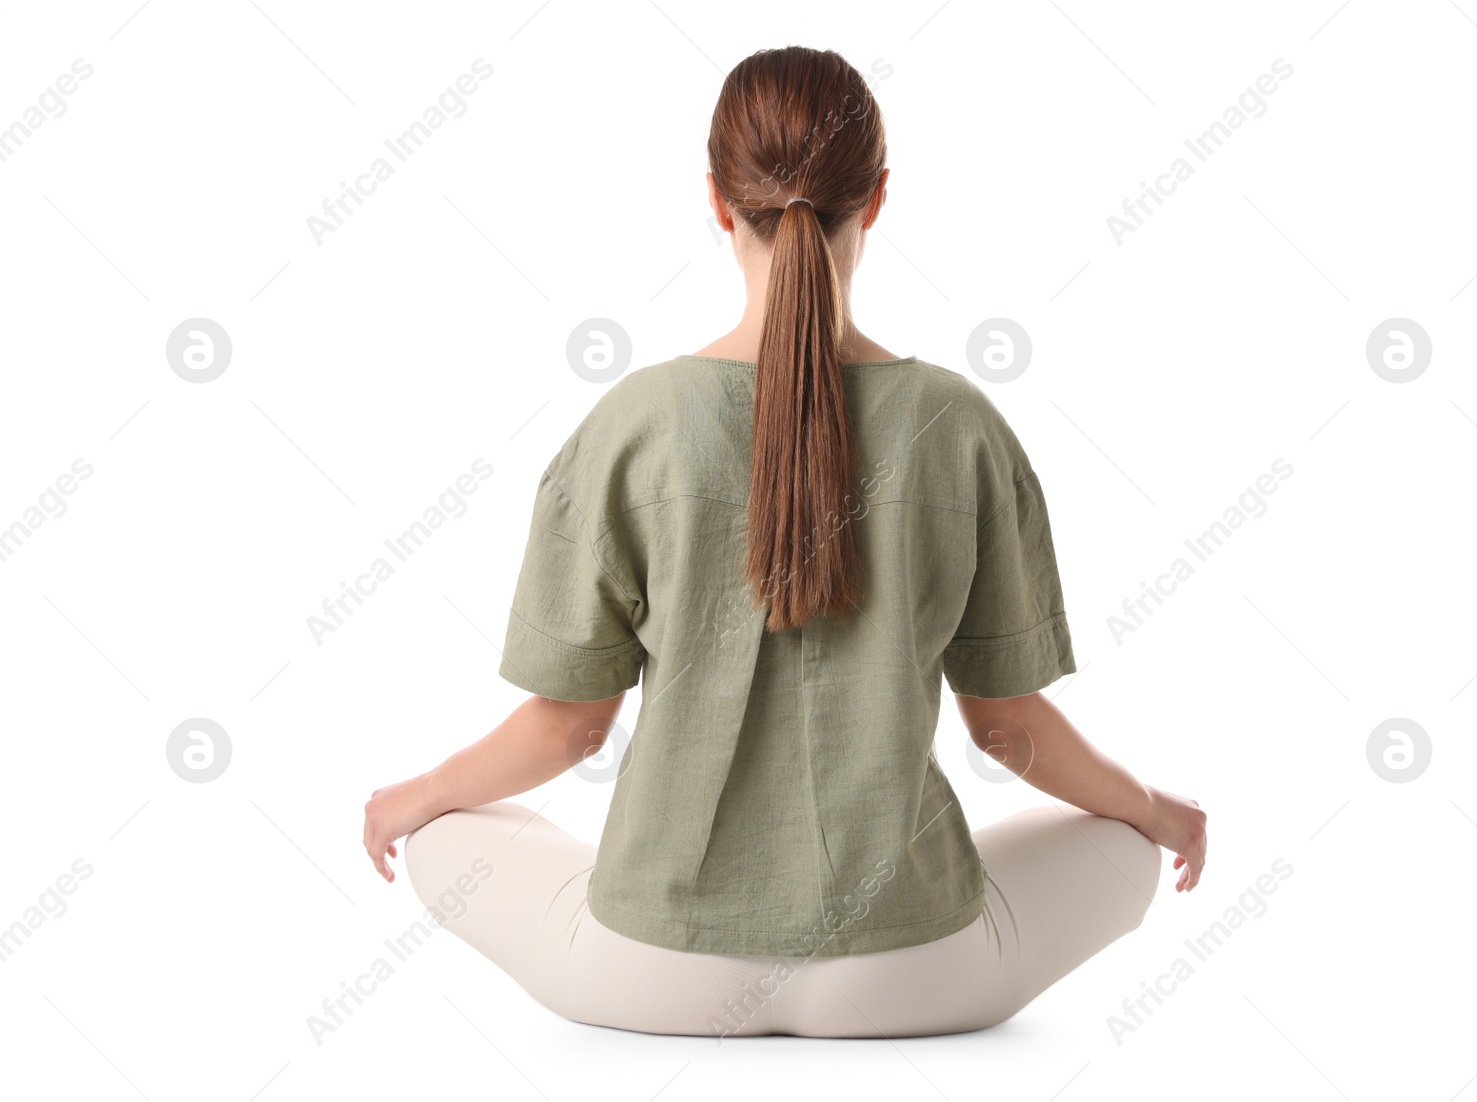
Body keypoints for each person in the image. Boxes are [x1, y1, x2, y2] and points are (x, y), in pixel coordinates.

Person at [363, 45, 1206, 1039]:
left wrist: (410, 795)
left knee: (440, 835)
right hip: (911, 971)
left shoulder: (632, 423)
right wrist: (1153, 806)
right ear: (878, 198)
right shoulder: (960, 424)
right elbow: (1008, 730)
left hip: (651, 969)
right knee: (1123, 844)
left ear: (719, 202)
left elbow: (568, 730)